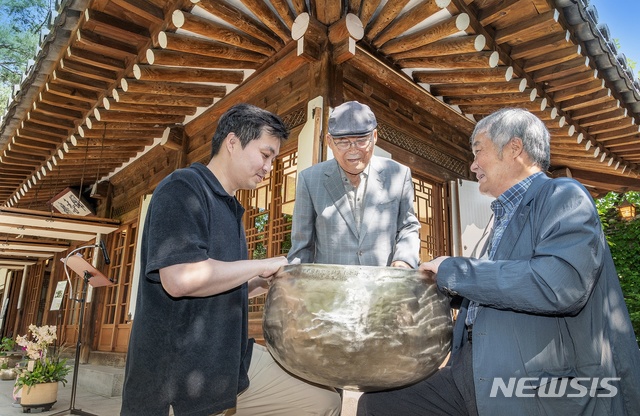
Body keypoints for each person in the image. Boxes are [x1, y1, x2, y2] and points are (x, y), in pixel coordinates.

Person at [357, 107, 640, 415]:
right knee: (380, 403)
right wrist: (444, 290)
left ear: (514, 149)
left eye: (479, 152)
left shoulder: (563, 195)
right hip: (473, 371)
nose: (473, 164)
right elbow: (505, 284)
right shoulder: (501, 218)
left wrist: (455, 270)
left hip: (535, 379)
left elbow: (559, 284)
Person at [121, 104, 341, 416]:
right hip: (179, 376)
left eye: (273, 159)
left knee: (325, 401)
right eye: (265, 155)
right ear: (233, 142)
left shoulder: (230, 208)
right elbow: (180, 279)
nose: (269, 167)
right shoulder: (182, 187)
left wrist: (259, 282)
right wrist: (262, 264)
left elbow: (218, 284)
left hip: (230, 363)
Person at [287, 101, 420, 268]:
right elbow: (302, 248)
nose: (353, 150)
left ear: (375, 136)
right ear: (329, 141)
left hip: (383, 287)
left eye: (361, 140)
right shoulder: (310, 179)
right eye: (342, 141)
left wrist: (404, 260)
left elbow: (408, 226)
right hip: (333, 290)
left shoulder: (398, 175)